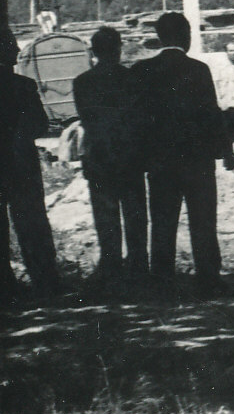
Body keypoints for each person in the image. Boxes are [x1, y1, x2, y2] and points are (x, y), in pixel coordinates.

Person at [134, 12, 234, 296]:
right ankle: (208, 279)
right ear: (186, 36)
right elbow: (212, 114)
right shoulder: (198, 69)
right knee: (203, 220)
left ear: (159, 36)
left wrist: (140, 157)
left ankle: (163, 281)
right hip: (197, 160)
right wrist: (226, 150)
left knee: (163, 221)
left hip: (160, 162)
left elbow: (136, 119)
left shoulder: (142, 70)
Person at [71, 26, 148, 283]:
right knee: (135, 215)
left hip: (99, 156)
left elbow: (88, 120)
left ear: (93, 52)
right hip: (130, 156)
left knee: (106, 217)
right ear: (119, 48)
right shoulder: (133, 79)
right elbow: (139, 119)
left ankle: (111, 268)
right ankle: (138, 267)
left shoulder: (81, 82)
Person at [0, 23, 64, 307]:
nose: (16, 51)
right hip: (22, 164)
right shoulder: (24, 87)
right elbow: (40, 125)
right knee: (33, 223)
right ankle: (46, 280)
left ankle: (6, 286)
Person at [200, 35, 234, 166]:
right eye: (231, 51)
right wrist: (218, 102)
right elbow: (215, 86)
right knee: (226, 134)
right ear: (226, 52)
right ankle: (228, 160)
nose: (233, 53)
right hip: (225, 105)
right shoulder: (220, 68)